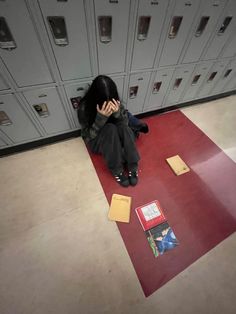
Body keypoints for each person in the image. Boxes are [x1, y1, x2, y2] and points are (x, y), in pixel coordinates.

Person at [78, 75, 146, 187]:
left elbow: (125, 124)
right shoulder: (84, 107)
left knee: (123, 127)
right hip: (99, 140)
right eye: (105, 102)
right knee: (110, 128)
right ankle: (117, 170)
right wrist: (100, 119)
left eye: (112, 99)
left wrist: (117, 113)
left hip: (117, 138)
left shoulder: (115, 101)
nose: (109, 104)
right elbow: (87, 137)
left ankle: (132, 165)